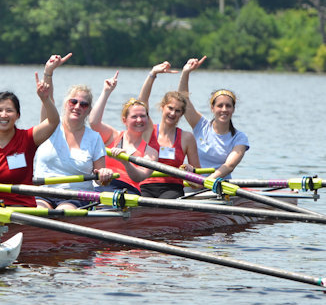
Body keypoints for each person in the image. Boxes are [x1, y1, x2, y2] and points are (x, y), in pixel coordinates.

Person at [32, 54, 114, 209]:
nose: (77, 107)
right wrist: (48, 71)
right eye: (73, 102)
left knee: (64, 211)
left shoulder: (94, 138)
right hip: (43, 193)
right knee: (39, 210)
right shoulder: (50, 126)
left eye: (83, 104)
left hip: (77, 196)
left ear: (89, 110)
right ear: (65, 104)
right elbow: (47, 97)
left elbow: (99, 181)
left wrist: (104, 175)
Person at [0, 68, 59, 207]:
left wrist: (45, 99)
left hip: (20, 206)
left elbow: (53, 121)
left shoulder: (28, 138)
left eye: (9, 111)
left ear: (18, 115)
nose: (4, 115)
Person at [136, 61, 201, 198]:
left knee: (166, 201)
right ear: (162, 107)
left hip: (172, 188)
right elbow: (141, 104)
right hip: (146, 185)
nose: (173, 113)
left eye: (177, 111)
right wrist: (152, 74)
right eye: (170, 108)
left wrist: (191, 171)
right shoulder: (149, 130)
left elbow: (198, 183)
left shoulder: (187, 138)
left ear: (182, 114)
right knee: (144, 204)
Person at [178, 56, 249, 180]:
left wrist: (209, 181)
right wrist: (185, 72)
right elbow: (183, 100)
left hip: (219, 187)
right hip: (194, 183)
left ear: (233, 109)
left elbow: (229, 165)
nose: (224, 110)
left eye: (228, 106)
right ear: (212, 108)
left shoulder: (240, 138)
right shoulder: (201, 125)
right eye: (220, 106)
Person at [89, 72, 160, 195]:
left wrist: (125, 162)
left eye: (143, 116)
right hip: (102, 186)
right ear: (124, 120)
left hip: (129, 191)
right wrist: (106, 91)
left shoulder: (151, 152)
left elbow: (139, 177)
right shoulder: (113, 136)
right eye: (134, 117)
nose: (139, 120)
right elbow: (93, 122)